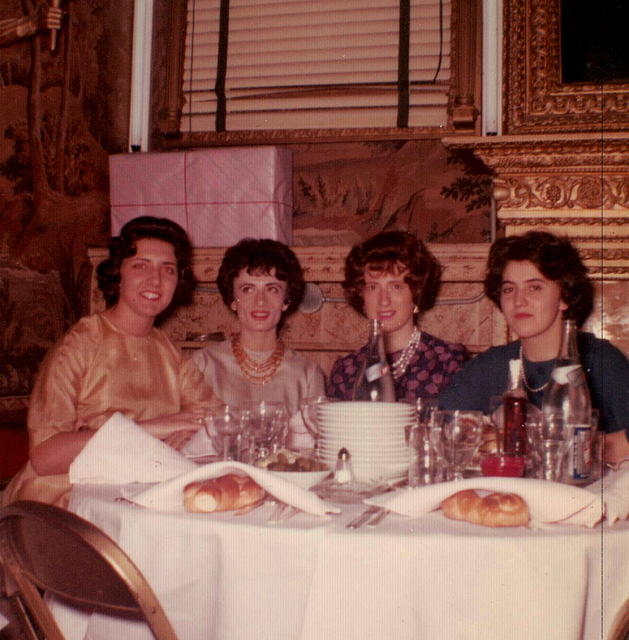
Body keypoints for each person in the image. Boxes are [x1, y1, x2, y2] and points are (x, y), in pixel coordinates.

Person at [1, 216, 221, 507]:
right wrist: (153, 428)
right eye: (140, 265)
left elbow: (214, 420)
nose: (155, 280)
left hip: (131, 492)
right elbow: (45, 458)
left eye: (167, 270)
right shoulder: (81, 343)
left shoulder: (166, 350)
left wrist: (181, 432)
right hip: (63, 503)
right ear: (118, 274)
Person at [438, 230, 629, 464]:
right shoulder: (492, 365)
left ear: (564, 297)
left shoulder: (600, 360)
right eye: (509, 289)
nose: (518, 301)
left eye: (534, 287)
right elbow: (438, 426)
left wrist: (569, 446)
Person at [191, 238, 325, 449]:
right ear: (233, 300)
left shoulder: (308, 374)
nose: (260, 301)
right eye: (248, 289)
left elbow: (316, 450)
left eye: (272, 289)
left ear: (286, 300)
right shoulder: (202, 364)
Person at [327, 231, 468, 403]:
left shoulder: (447, 362)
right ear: (361, 296)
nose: (383, 300)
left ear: (416, 293)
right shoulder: (347, 370)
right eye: (372, 287)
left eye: (396, 287)